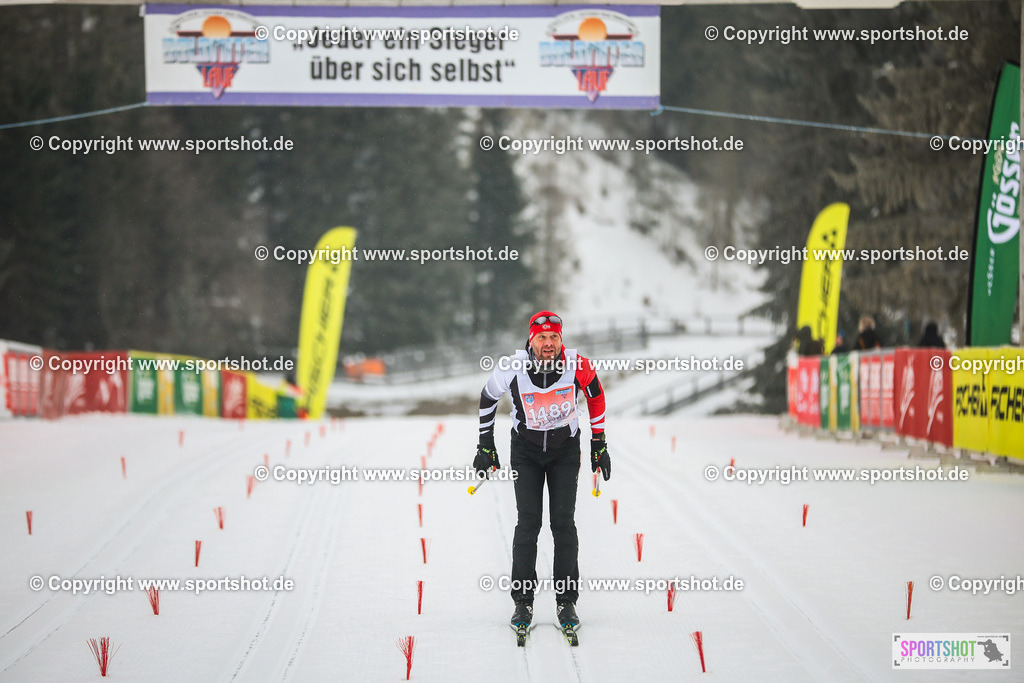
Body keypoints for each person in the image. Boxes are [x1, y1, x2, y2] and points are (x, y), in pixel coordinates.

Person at [474, 311, 610, 636]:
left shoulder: (578, 364)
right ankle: (523, 601)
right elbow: (487, 398)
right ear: (531, 339)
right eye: (542, 338)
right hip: (526, 452)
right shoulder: (512, 366)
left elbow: (596, 397)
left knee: (563, 524)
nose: (548, 344)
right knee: (528, 523)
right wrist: (485, 446)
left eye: (554, 338)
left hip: (564, 451)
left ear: (561, 340)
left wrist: (599, 444)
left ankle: (567, 601)